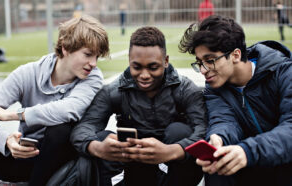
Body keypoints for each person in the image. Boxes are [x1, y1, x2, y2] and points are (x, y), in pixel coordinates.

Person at [0, 15, 109, 186]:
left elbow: (69, 110)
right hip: (25, 156)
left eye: (97, 57)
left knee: (60, 129)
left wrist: (13, 115)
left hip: (60, 164)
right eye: (88, 54)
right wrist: (6, 140)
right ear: (66, 48)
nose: (93, 63)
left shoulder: (92, 78)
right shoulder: (28, 73)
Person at [71, 26, 207, 186]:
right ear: (129, 60)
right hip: (134, 169)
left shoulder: (185, 89)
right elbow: (83, 128)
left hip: (173, 170)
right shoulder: (114, 91)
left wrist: (173, 150)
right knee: (101, 138)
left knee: (179, 131)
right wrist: (97, 147)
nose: (144, 75)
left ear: (166, 61)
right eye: (137, 67)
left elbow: (204, 130)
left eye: (153, 67)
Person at [179, 15, 292, 186]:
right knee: (217, 164)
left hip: (284, 163)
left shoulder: (283, 72)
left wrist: (247, 151)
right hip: (251, 165)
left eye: (210, 61)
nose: (203, 70)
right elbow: (224, 120)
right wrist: (218, 138)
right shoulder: (214, 87)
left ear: (235, 55)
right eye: (199, 62)